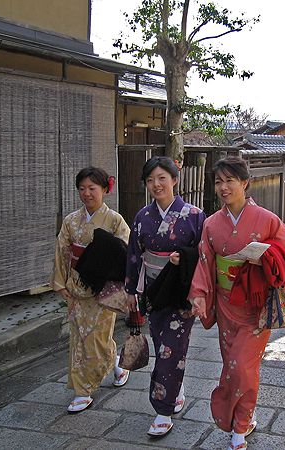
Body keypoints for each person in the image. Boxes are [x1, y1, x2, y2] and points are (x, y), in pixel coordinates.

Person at [189, 156, 285, 450]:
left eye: (230, 180)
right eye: (218, 181)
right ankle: (243, 418)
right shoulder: (212, 224)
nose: (223, 187)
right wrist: (199, 294)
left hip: (256, 304)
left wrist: (266, 254)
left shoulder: (266, 219)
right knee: (232, 365)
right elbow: (205, 262)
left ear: (245, 183)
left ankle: (238, 426)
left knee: (241, 366)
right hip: (226, 305)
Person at [125, 156, 206, 437]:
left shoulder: (194, 215)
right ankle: (176, 386)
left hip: (181, 291)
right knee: (164, 347)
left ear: (175, 180)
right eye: (150, 180)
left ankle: (163, 409)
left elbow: (203, 255)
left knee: (171, 349)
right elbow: (134, 255)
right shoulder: (142, 217)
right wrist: (131, 291)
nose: (156, 184)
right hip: (153, 291)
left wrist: (183, 259)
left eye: (162, 178)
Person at [52, 167, 131, 414]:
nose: (87, 193)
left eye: (92, 188)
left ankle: (85, 389)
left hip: (101, 289)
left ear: (105, 190)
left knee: (95, 338)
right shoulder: (71, 221)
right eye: (82, 189)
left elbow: (125, 252)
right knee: (79, 339)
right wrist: (60, 283)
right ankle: (111, 367)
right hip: (76, 287)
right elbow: (63, 252)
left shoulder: (115, 220)